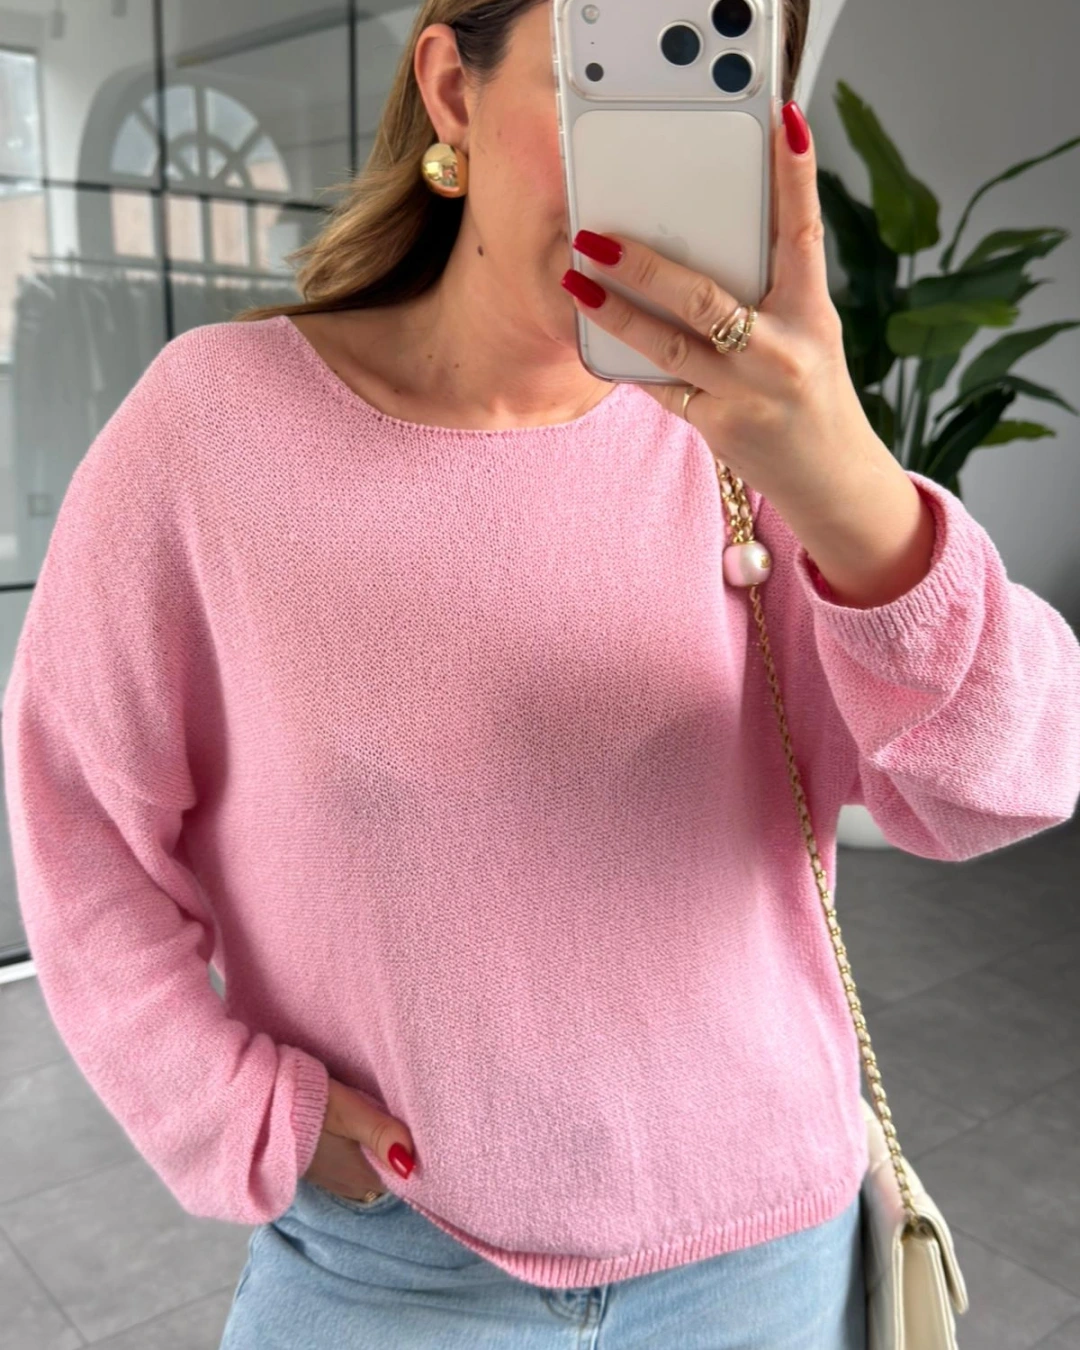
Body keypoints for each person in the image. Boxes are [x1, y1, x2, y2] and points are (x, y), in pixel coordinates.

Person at [4, 1, 1079, 1347]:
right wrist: (234, 1110)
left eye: (718, 84)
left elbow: (1006, 783)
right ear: (453, 92)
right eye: (608, 72)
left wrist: (850, 485)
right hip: (394, 1269)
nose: (659, 146)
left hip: (766, 1260)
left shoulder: (759, 444)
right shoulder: (212, 432)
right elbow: (80, 828)